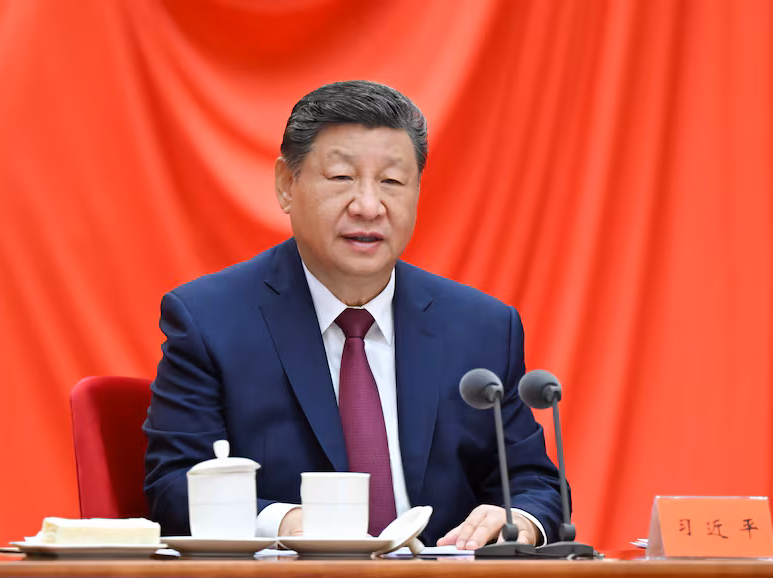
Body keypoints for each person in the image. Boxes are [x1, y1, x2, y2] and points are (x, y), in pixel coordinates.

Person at [144, 80, 564, 549]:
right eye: (342, 178)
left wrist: (520, 519)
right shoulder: (209, 321)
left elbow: (534, 484)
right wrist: (286, 523)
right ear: (286, 185)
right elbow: (175, 485)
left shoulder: (482, 328)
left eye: (392, 182)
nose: (368, 206)